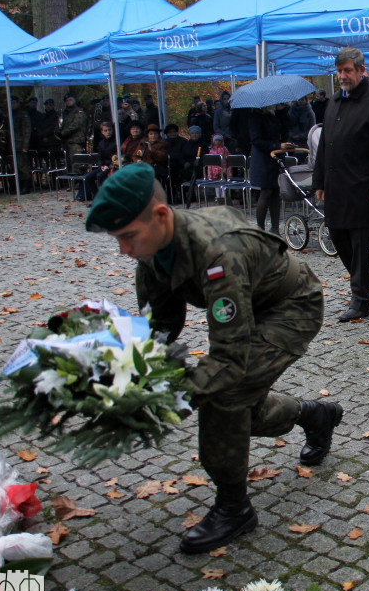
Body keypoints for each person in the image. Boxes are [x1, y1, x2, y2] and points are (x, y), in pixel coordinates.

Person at [84, 162, 343, 553]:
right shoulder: (153, 249)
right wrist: (126, 373)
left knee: (225, 396)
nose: (123, 250)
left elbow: (228, 360)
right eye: (116, 239)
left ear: (159, 215)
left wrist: (169, 398)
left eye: (128, 236)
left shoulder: (218, 252)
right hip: (251, 305)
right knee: (246, 411)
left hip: (291, 307)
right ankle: (315, 416)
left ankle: (234, 507)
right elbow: (161, 325)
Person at [312, 47, 369, 322]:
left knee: (360, 244)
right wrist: (319, 180)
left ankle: (360, 301)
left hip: (363, 185)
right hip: (336, 185)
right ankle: (366, 275)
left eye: (348, 70)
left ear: (361, 70)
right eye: (339, 71)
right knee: (337, 235)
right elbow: (325, 143)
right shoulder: (334, 101)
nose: (342, 76)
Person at [249, 107, 285, 232]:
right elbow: (256, 140)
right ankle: (261, 228)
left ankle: (275, 228)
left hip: (275, 157)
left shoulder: (274, 115)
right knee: (266, 191)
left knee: (276, 192)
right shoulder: (256, 117)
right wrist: (276, 145)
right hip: (263, 159)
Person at [58, 94, 88, 171]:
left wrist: (63, 132)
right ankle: (71, 182)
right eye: (67, 100)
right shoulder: (64, 113)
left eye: (70, 100)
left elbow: (75, 125)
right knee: (68, 165)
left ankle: (78, 182)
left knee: (77, 165)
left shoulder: (79, 112)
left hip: (76, 142)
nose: (68, 102)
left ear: (74, 100)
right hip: (66, 142)